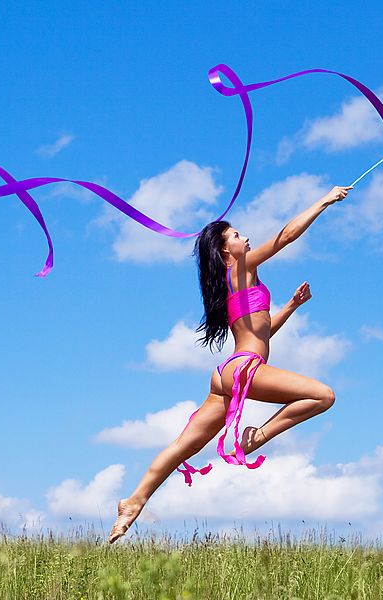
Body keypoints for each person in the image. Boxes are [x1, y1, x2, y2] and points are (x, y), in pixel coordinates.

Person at [107, 185, 353, 544]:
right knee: (323, 395)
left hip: (229, 372)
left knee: (184, 446)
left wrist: (291, 306)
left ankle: (132, 502)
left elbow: (260, 330)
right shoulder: (239, 267)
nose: (246, 237)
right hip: (244, 369)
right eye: (238, 235)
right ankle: (256, 438)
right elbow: (285, 237)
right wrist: (324, 201)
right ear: (226, 250)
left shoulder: (237, 282)